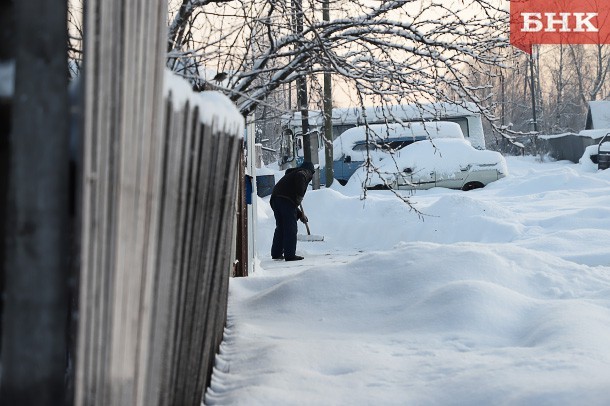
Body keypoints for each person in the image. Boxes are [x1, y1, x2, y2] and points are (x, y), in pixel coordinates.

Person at [270, 161, 316, 261]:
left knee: (281, 226)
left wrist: (299, 215)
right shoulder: (303, 172)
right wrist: (300, 196)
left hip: (275, 199)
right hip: (285, 200)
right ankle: (290, 255)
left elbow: (290, 203)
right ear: (311, 171)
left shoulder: (292, 175)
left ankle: (276, 253)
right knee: (290, 227)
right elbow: (301, 176)